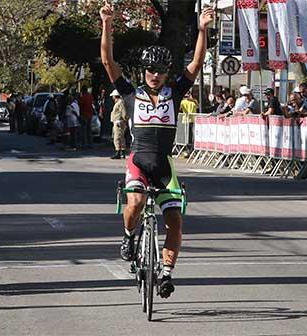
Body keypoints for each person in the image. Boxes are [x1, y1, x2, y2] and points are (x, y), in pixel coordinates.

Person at [100, 1, 214, 298]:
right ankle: (128, 236)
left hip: (164, 164)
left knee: (175, 220)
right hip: (139, 160)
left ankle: (165, 272)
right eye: (151, 69)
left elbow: (196, 65)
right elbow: (107, 62)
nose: (155, 74)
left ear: (166, 73)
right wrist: (107, 24)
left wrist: (202, 30)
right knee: (135, 202)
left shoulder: (174, 93)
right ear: (144, 70)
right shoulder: (129, 93)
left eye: (161, 70)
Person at [179, 90, 199, 156]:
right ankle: (188, 150)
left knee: (191, 136)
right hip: (187, 120)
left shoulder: (193, 101)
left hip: (192, 120)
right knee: (188, 137)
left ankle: (190, 150)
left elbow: (197, 106)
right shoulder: (183, 101)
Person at [109, 89, 128, 159]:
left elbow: (124, 112)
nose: (112, 97)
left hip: (119, 122)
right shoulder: (119, 102)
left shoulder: (120, 103)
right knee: (121, 137)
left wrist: (125, 120)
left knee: (117, 137)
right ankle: (122, 151)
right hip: (118, 121)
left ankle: (118, 152)